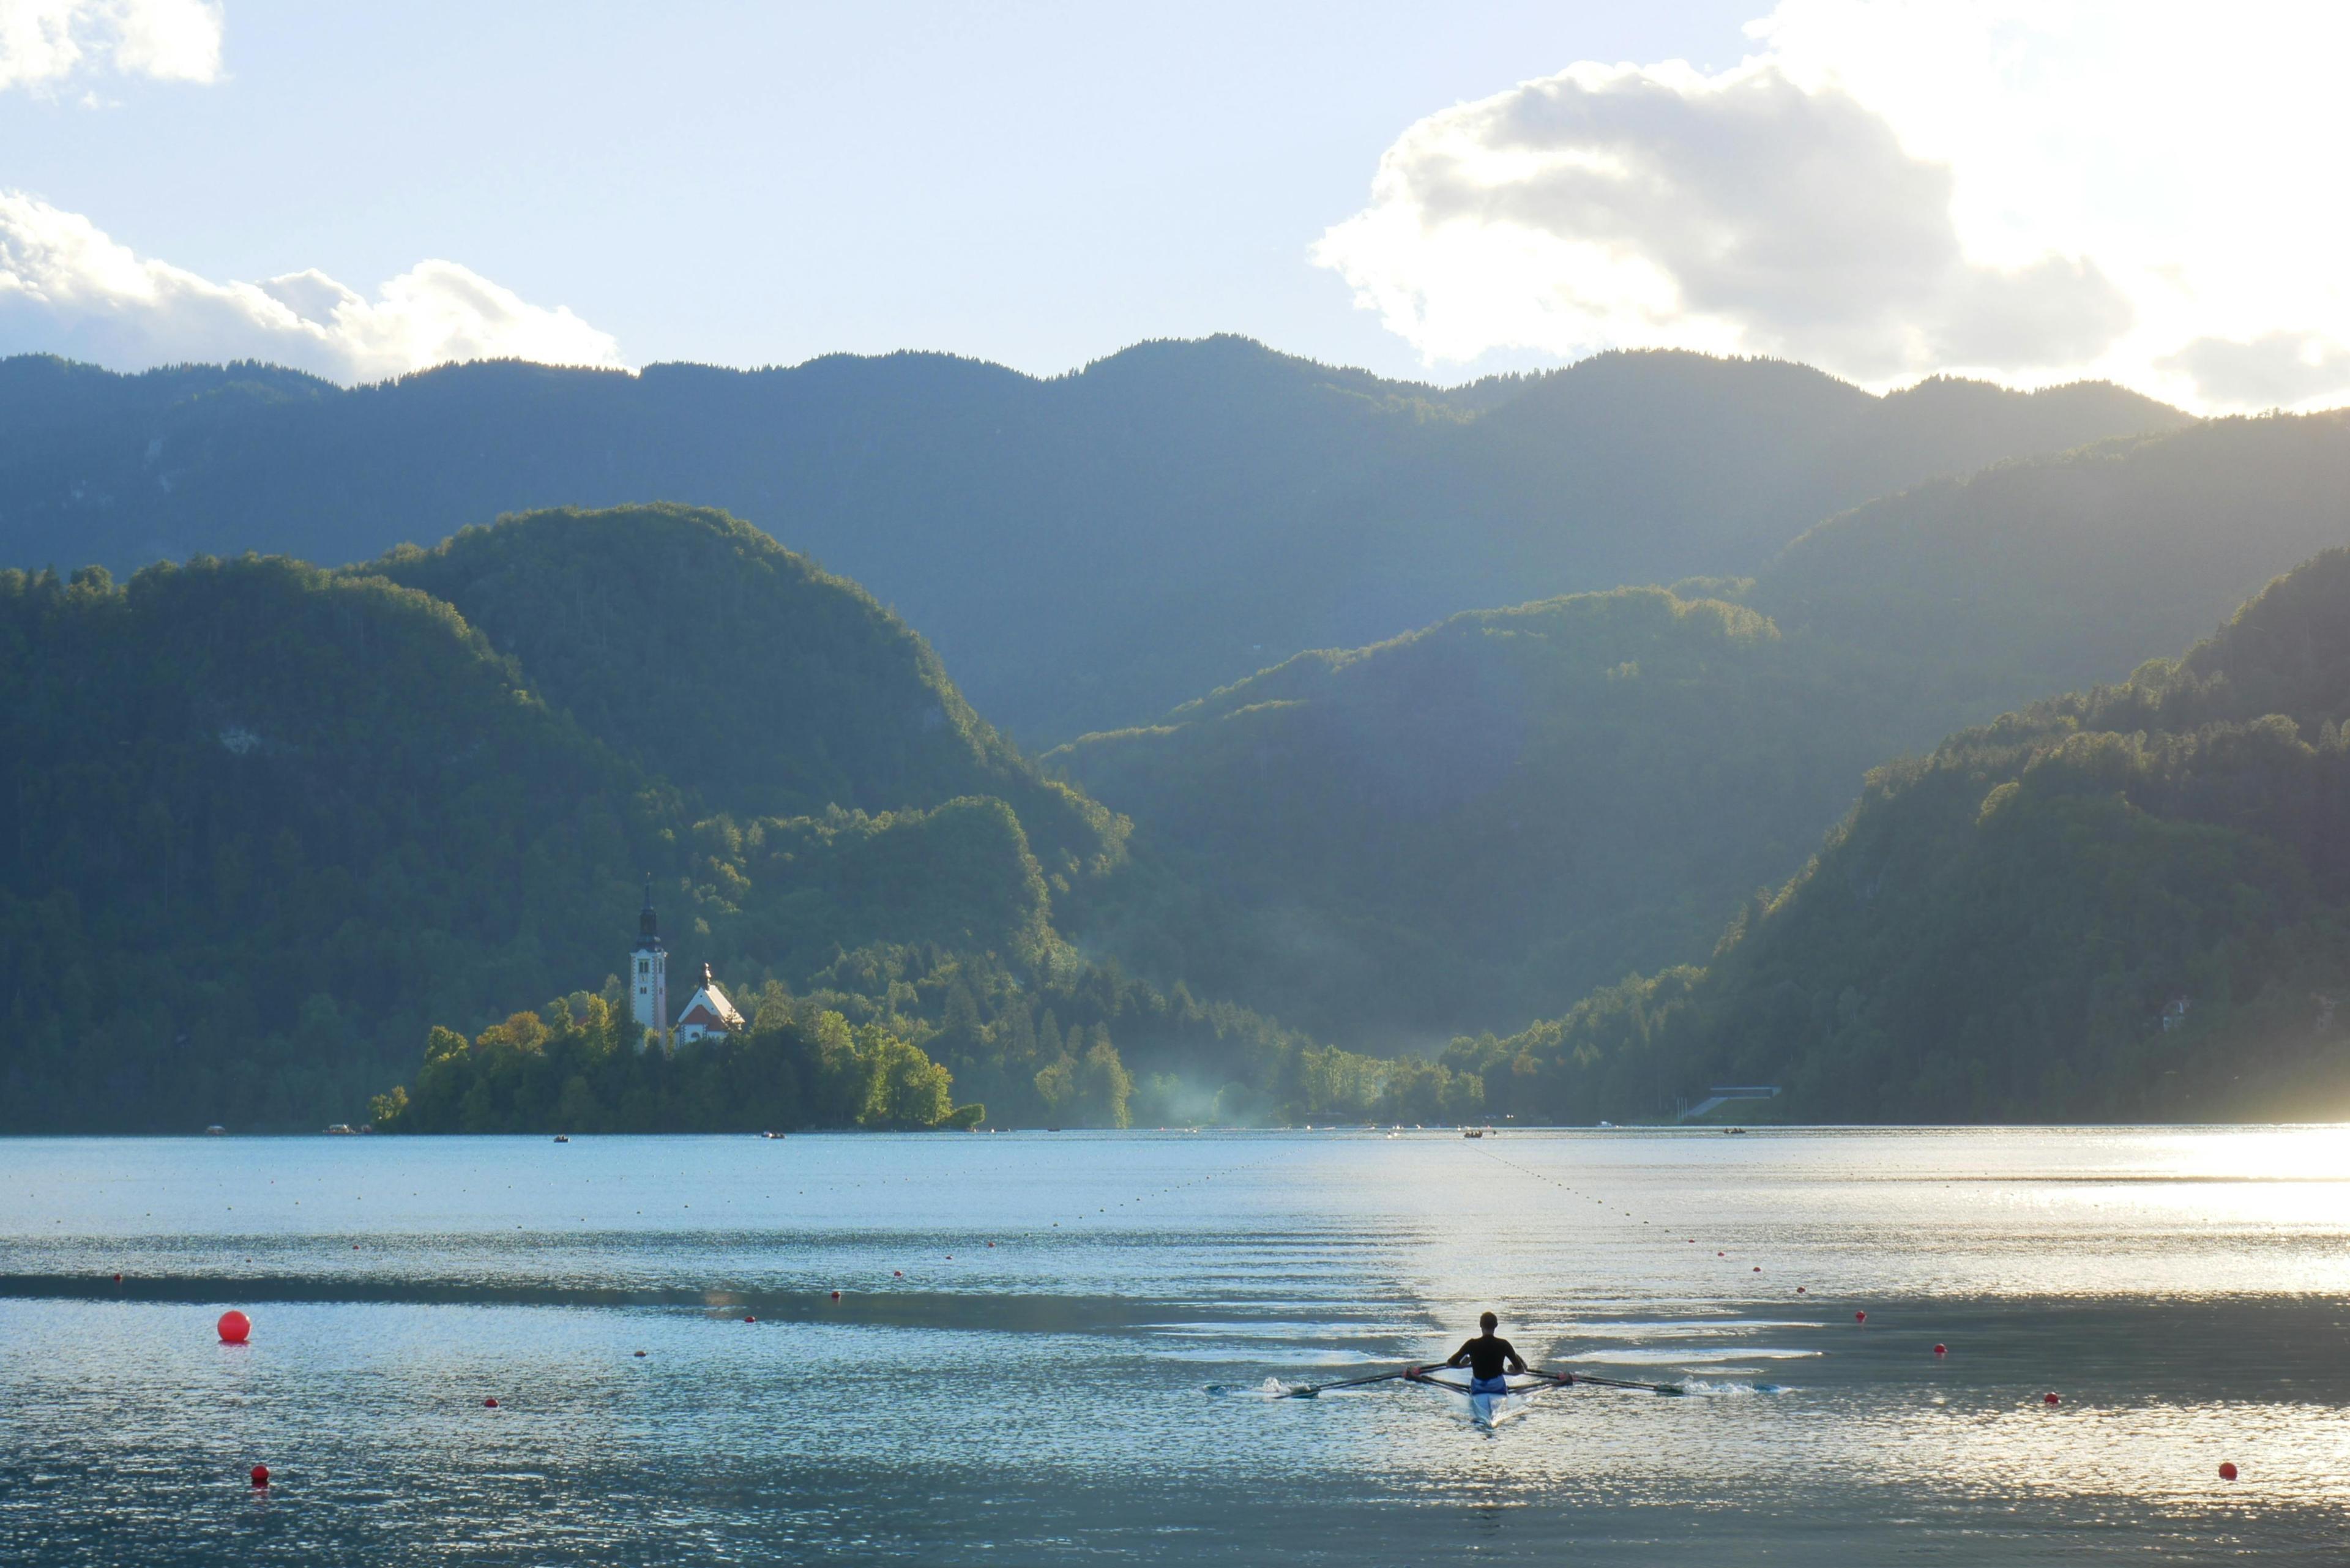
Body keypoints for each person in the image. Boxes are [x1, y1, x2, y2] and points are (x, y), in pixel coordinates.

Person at [1445, 1312, 1526, 1409]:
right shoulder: (1504, 1344)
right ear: (1496, 1326)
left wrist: (1467, 1365)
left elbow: (1449, 1364)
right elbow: (1520, 1370)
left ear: (1480, 1325)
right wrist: (1506, 1372)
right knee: (1501, 1379)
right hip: (1497, 1386)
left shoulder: (1471, 1344)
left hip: (1479, 1387)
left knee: (1475, 1379)